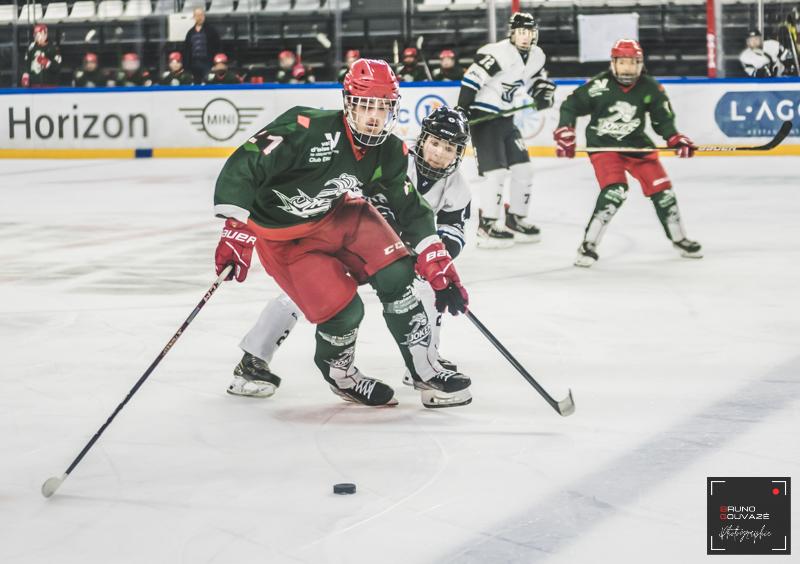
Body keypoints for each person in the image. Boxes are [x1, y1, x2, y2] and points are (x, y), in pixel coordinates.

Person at [212, 59, 472, 408]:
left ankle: (425, 370)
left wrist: (433, 250)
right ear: (349, 103)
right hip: (284, 237)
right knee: (344, 310)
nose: (375, 117)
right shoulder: (305, 127)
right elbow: (247, 162)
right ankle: (342, 375)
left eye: (383, 107)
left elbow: (409, 205)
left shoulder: (390, 151)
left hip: (338, 217)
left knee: (399, 273)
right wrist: (236, 226)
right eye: (366, 106)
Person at [553, 39, 702, 267]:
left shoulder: (650, 87)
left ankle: (679, 238)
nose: (627, 69)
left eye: (632, 63)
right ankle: (588, 244)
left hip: (637, 147)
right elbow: (571, 105)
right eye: (622, 63)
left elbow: (663, 119)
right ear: (613, 63)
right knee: (615, 191)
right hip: (605, 147)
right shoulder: (599, 85)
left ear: (640, 64)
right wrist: (565, 129)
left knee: (664, 192)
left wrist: (674, 137)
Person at [457, 12, 555, 248]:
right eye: (521, 32)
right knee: (496, 173)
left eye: (529, 32)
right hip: (484, 117)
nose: (525, 36)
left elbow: (535, 81)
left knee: (524, 169)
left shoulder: (537, 56)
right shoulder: (498, 53)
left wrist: (542, 95)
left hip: (506, 119)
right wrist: (462, 111)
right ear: (512, 33)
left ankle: (515, 219)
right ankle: (487, 225)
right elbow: (472, 80)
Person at [183, 8, 221, 84]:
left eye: (201, 15)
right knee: (195, 84)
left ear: (204, 16)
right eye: (197, 15)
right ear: (194, 17)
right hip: (193, 63)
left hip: (208, 63)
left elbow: (218, 47)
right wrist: (186, 67)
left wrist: (216, 63)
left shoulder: (211, 30)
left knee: (208, 82)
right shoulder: (190, 32)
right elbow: (186, 50)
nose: (199, 17)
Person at [21, 23, 61, 88]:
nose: (36, 36)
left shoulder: (53, 48)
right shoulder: (31, 47)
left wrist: (48, 63)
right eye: (35, 34)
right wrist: (25, 76)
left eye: (38, 34)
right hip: (34, 85)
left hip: (50, 86)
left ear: (45, 34)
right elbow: (26, 63)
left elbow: (57, 67)